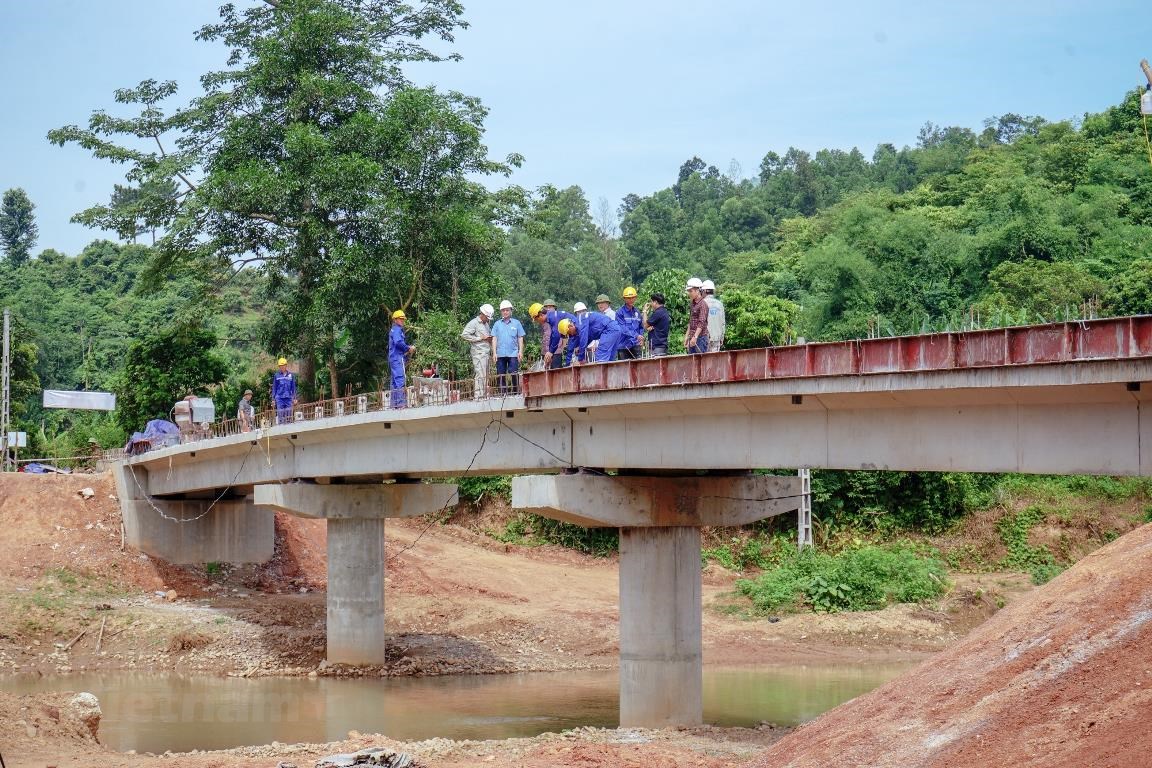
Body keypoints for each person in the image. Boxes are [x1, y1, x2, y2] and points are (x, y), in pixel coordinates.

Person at [559, 313, 623, 363]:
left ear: (570, 326)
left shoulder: (580, 324)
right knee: (610, 360)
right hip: (616, 329)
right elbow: (589, 337)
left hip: (609, 330)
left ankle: (600, 379)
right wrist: (581, 349)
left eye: (569, 333)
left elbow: (583, 340)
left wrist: (580, 359)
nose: (571, 335)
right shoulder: (581, 322)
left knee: (601, 358)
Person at [491, 300, 526, 394]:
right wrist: (494, 353)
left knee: (513, 372)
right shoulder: (497, 324)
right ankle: (502, 393)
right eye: (503, 310)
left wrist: (520, 351)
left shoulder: (516, 323)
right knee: (501, 374)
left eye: (507, 310)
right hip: (500, 354)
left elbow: (520, 337)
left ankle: (515, 392)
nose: (505, 312)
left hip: (513, 353)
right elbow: (494, 338)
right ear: (501, 312)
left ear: (511, 311)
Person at [529, 302, 576, 369]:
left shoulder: (553, 318)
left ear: (540, 315)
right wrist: (550, 352)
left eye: (536, 319)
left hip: (575, 333)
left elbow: (556, 335)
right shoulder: (551, 316)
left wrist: (551, 352)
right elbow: (553, 335)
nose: (537, 322)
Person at [461, 304, 495, 398]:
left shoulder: (486, 324)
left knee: (485, 375)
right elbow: (464, 335)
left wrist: (488, 339)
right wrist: (480, 338)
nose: (488, 319)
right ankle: (478, 396)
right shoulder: (474, 323)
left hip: (486, 352)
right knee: (480, 374)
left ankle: (483, 395)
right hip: (478, 353)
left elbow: (486, 338)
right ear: (482, 314)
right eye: (487, 317)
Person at [388, 310, 415, 408]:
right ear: (395, 320)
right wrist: (408, 348)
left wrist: (406, 352)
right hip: (397, 359)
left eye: (403, 319)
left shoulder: (394, 330)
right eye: (401, 319)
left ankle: (394, 405)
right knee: (400, 379)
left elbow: (396, 346)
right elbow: (398, 342)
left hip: (394, 358)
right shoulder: (397, 330)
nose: (402, 321)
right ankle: (401, 404)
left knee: (394, 381)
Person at [615, 286, 644, 360]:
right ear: (624, 299)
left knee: (638, 367)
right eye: (628, 298)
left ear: (635, 298)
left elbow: (641, 326)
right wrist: (636, 335)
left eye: (633, 297)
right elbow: (623, 328)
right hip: (623, 346)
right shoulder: (620, 313)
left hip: (635, 345)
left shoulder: (637, 312)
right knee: (624, 369)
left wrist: (641, 337)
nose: (631, 300)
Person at [684, 277, 709, 354]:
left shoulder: (703, 304)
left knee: (700, 363)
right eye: (688, 291)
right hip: (692, 337)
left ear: (697, 290)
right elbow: (691, 321)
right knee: (692, 363)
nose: (689, 293)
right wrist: (687, 336)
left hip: (700, 338)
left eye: (690, 291)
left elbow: (701, 323)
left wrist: (695, 337)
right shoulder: (692, 304)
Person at [702, 279, 726, 352]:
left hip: (705, 339)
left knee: (704, 361)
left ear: (705, 291)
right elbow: (723, 323)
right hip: (717, 339)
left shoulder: (702, 303)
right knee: (714, 361)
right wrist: (722, 337)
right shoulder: (720, 304)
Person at [271, 357, 297, 424]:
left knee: (289, 415)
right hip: (279, 398)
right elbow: (274, 387)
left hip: (288, 397)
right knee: (280, 414)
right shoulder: (276, 375)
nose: (282, 367)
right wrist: (273, 399)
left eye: (283, 365)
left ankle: (289, 427)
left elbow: (293, 387)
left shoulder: (291, 375)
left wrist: (295, 398)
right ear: (279, 366)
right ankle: (281, 428)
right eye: (280, 366)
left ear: (286, 365)